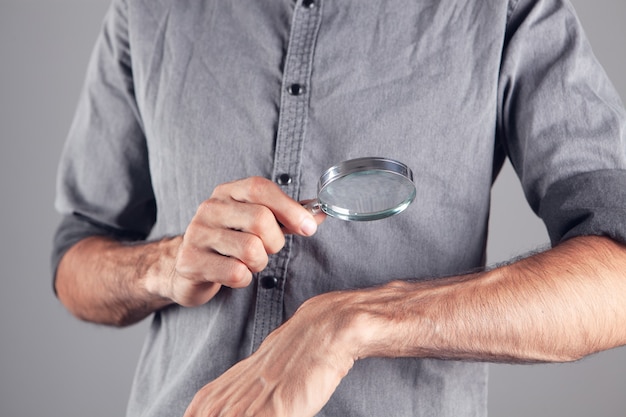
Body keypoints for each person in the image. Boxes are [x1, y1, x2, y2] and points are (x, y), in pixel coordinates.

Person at [52, 0, 626, 416]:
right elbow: (74, 259)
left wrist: (349, 323)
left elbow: (616, 278)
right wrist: (165, 265)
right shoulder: (147, 11)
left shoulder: (506, 9)